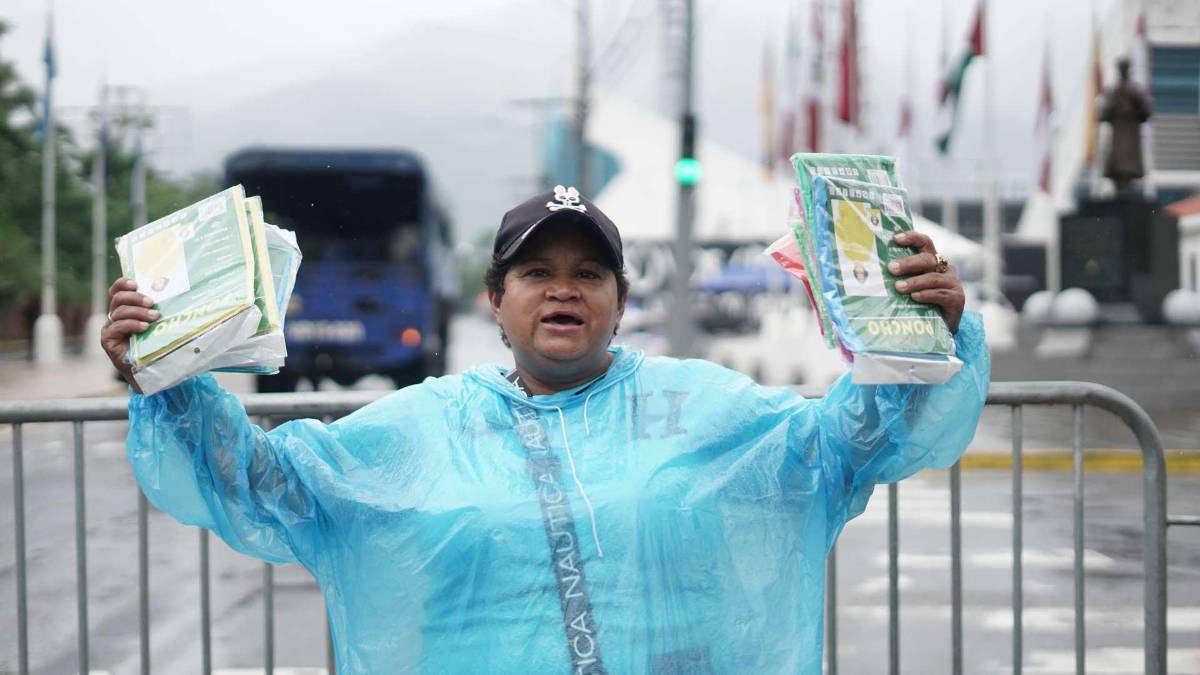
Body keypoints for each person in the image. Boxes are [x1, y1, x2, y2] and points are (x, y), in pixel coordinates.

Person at [102, 185, 989, 674]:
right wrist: (170, 375)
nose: (563, 288)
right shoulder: (422, 427)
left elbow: (846, 444)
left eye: (589, 272)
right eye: (536, 270)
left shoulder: (706, 406)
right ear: (496, 297)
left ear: (619, 298)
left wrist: (919, 335)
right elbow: (268, 484)